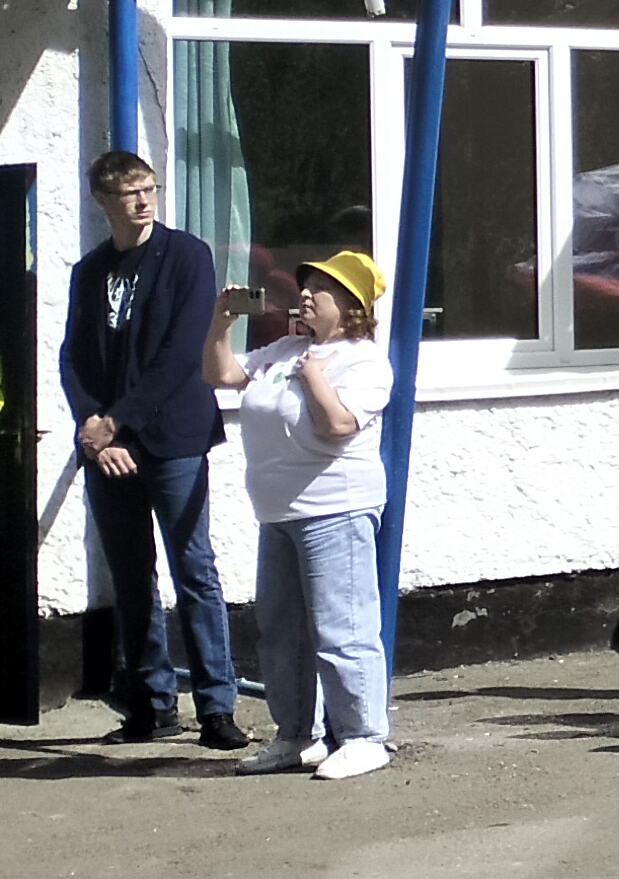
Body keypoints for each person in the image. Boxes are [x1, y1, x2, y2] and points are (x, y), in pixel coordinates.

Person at [61, 149, 237, 748]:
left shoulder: (187, 256)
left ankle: (217, 706)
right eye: (129, 192)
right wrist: (92, 425)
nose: (143, 200)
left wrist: (116, 424)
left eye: (149, 188)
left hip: (174, 439)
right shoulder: (90, 272)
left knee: (195, 569)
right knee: (131, 577)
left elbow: (179, 356)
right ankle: (149, 701)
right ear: (103, 201)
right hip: (109, 447)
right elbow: (74, 357)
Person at [209, 249, 398, 780]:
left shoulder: (364, 361)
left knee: (343, 626)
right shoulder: (283, 349)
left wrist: (313, 374)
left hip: (336, 508)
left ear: (352, 305)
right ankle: (296, 735)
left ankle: (364, 737)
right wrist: (221, 323)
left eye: (323, 289)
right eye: (306, 286)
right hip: (277, 510)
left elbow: (338, 426)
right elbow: (220, 373)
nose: (307, 295)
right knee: (283, 629)